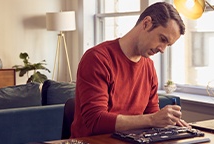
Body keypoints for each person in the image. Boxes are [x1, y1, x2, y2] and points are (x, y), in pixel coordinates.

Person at [71, 2, 188, 138]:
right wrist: (152, 119)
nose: (162, 49)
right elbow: (95, 121)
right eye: (162, 39)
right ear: (146, 23)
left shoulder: (149, 67)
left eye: (168, 45)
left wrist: (168, 123)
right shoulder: (97, 59)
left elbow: (151, 114)